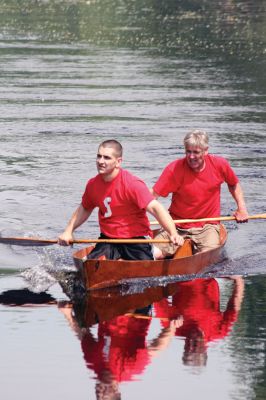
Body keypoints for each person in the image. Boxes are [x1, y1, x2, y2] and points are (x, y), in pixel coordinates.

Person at [58, 139, 184, 259]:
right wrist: (68, 231)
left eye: (107, 157)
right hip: (108, 239)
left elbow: (156, 209)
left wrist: (173, 233)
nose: (101, 161)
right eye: (99, 156)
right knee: (91, 264)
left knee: (142, 272)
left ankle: (156, 251)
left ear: (118, 162)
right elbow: (84, 209)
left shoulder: (132, 183)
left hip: (135, 239)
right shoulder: (92, 185)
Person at [151, 130, 249, 259]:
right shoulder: (174, 169)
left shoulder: (219, 164)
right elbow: (151, 197)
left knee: (204, 258)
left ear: (205, 150)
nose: (191, 157)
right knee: (150, 254)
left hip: (207, 226)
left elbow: (233, 184)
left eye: (196, 152)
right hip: (176, 225)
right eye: (188, 152)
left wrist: (241, 209)